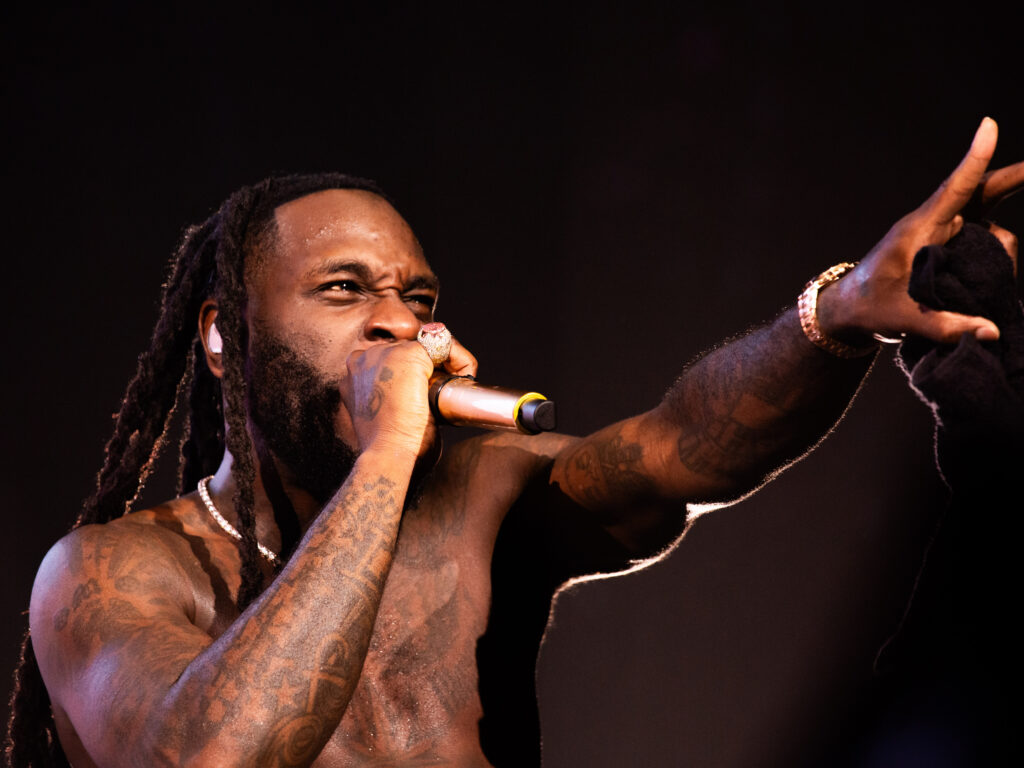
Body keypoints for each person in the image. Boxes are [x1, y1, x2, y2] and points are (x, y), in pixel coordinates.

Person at [7, 118, 1022, 768]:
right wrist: (386, 455)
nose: (398, 324)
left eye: (418, 299)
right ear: (223, 335)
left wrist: (838, 313)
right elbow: (212, 759)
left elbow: (682, 449)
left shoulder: (476, 491)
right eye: (344, 290)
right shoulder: (108, 574)